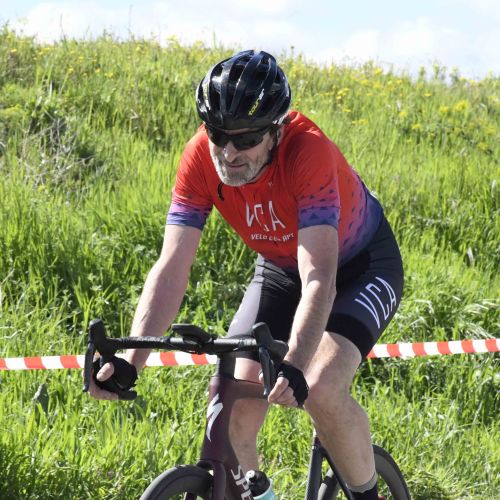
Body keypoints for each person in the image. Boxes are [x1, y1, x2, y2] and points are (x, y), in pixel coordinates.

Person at [89, 50, 404, 499]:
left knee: (320, 388)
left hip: (358, 267)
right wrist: (131, 362)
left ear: (277, 130)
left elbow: (320, 277)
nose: (229, 153)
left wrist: (296, 363)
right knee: (233, 399)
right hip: (280, 269)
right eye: (218, 135)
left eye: (247, 138)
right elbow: (172, 266)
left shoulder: (308, 152)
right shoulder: (200, 159)